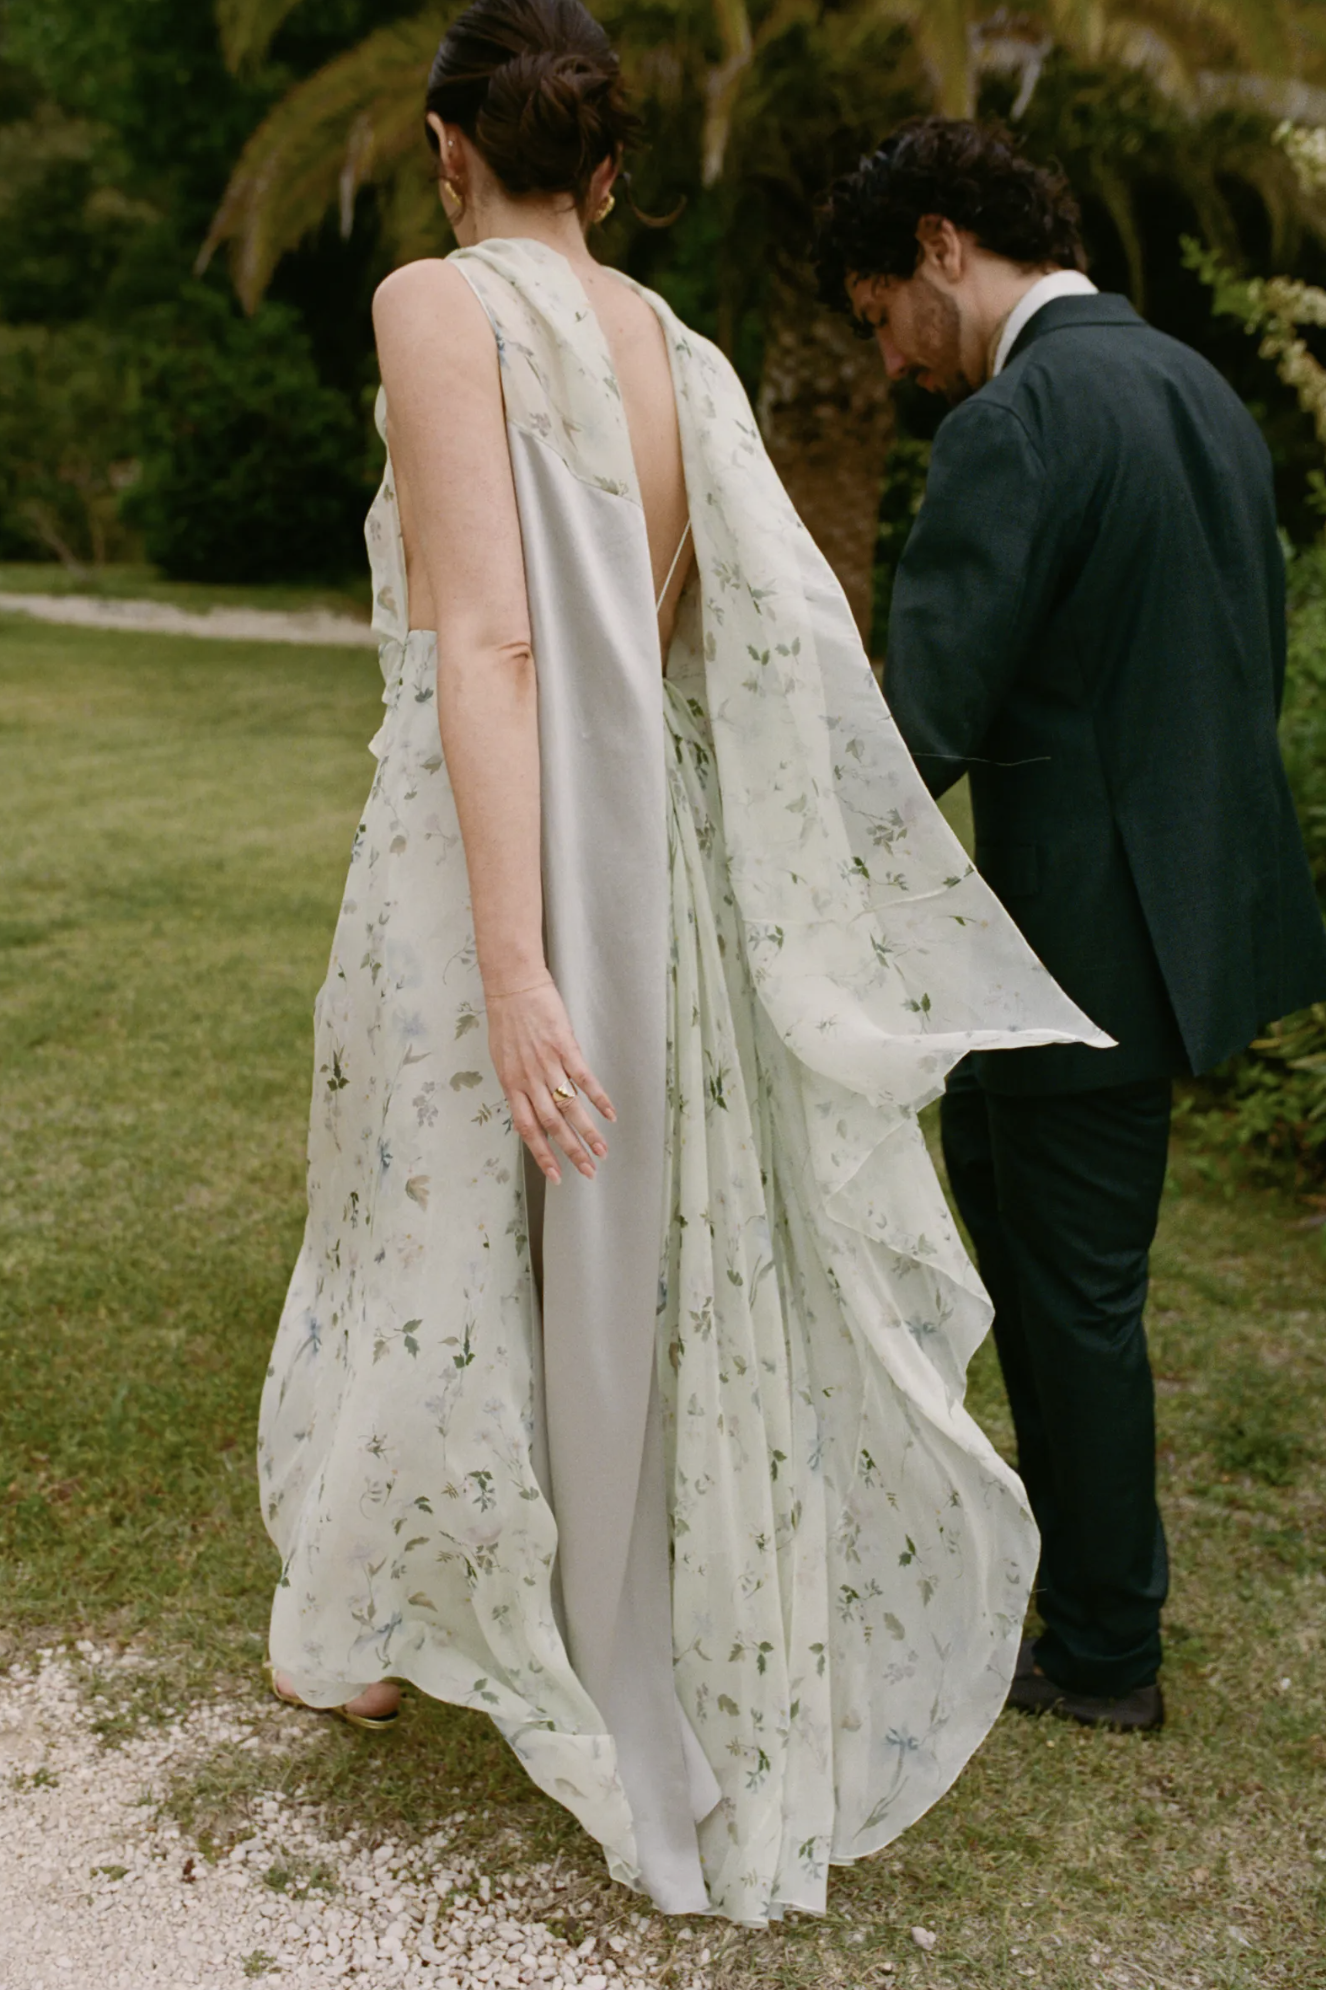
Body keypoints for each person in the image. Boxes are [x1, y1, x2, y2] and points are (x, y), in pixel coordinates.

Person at [258, 12, 1105, 1922]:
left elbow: (491, 645)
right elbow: (733, 644)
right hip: (651, 848)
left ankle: (373, 1630)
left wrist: (513, 962)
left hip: (489, 848)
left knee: (423, 1216)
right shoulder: (675, 349)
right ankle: (503, 1598)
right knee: (617, 1245)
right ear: (612, 173)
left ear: (445, 145)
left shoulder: (432, 303)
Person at [814, 118, 1326, 1734]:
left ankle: (1105, 1651)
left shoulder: (1013, 421)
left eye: (882, 314)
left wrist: (770, 810)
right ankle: (1078, 1591)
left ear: (943, 246)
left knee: (1071, 1301)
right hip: (1175, 927)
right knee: (1055, 1269)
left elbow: (921, 730)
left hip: (1065, 955)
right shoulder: (1198, 389)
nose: (892, 360)